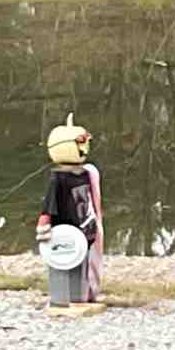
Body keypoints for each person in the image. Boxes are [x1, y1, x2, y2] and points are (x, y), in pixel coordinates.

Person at [35, 117, 105, 311]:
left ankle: (80, 295)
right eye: (81, 142)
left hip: (84, 228)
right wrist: (44, 222)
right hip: (64, 233)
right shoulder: (58, 178)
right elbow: (49, 204)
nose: (85, 147)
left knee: (81, 265)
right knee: (61, 265)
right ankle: (60, 298)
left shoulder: (85, 173)